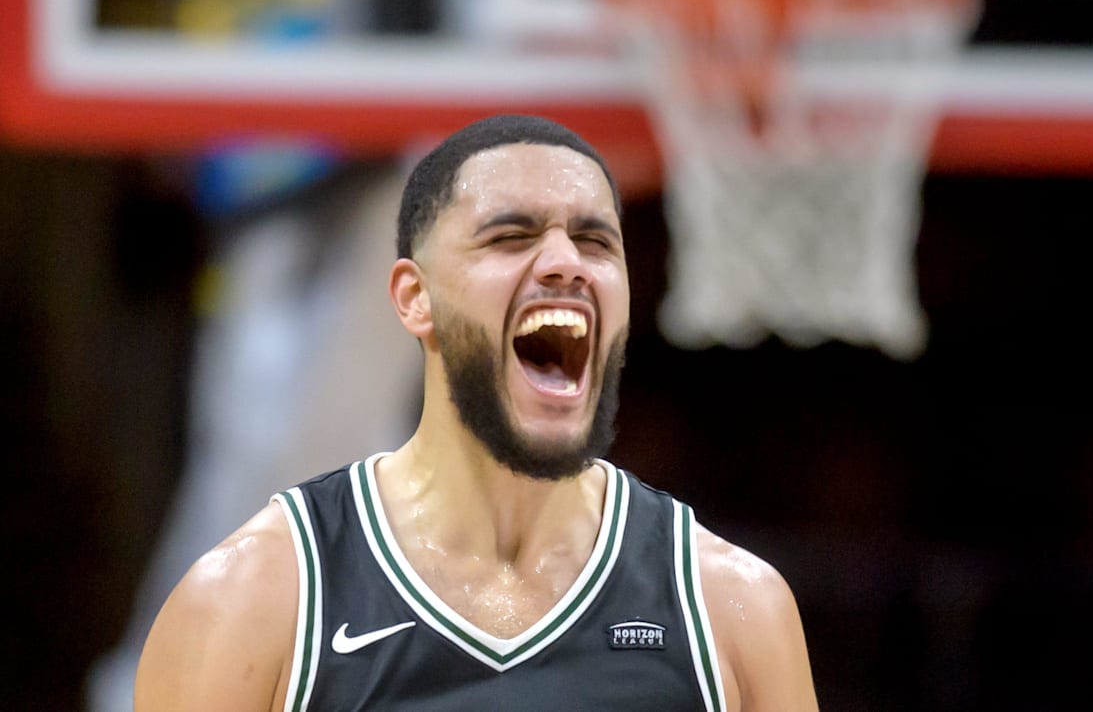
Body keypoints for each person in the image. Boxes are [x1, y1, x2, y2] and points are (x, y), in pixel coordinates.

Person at [134, 114, 819, 711]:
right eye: (511, 236)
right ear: (413, 297)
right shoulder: (254, 600)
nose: (564, 261)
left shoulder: (731, 609)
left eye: (596, 241)